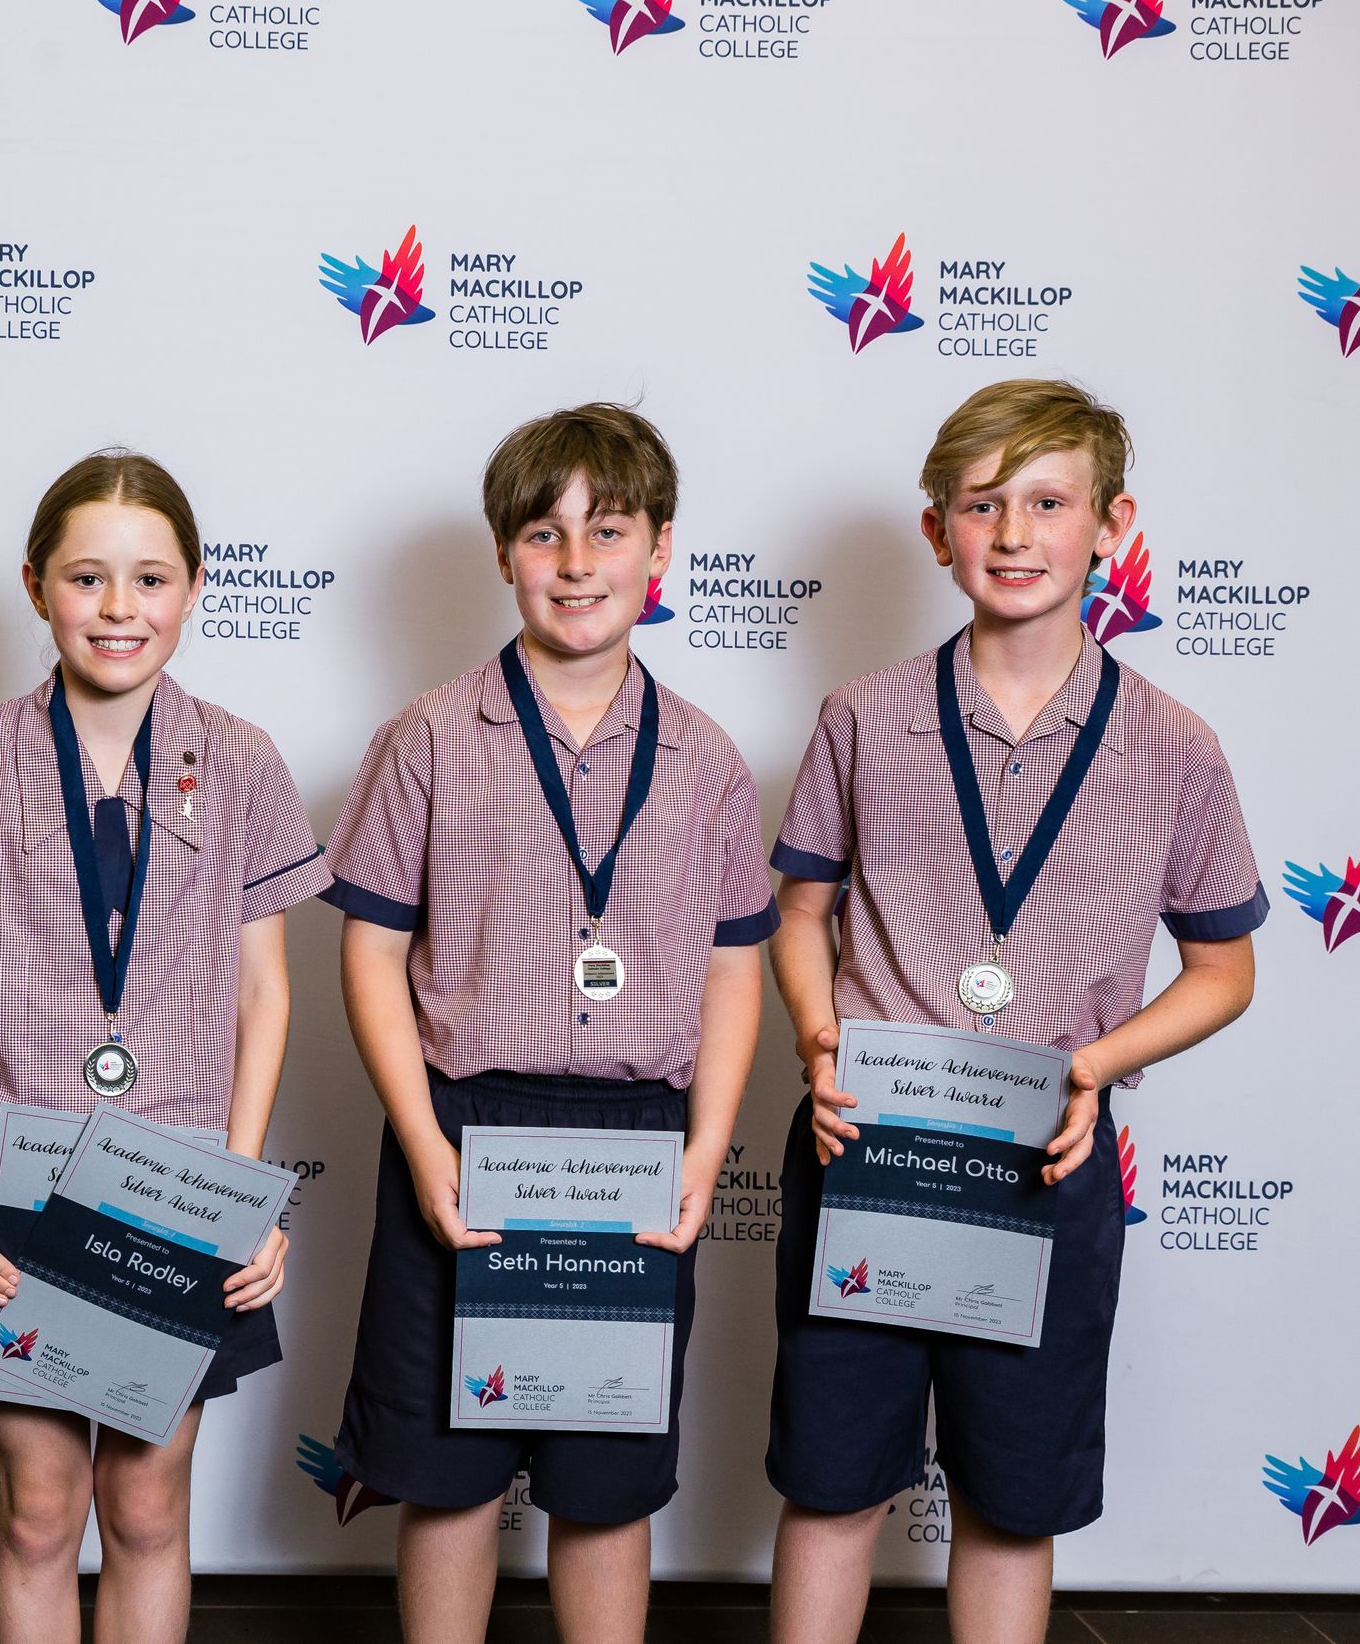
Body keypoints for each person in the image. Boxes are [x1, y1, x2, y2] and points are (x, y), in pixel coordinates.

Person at [763, 379, 1266, 1644]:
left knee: (1009, 1500)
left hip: (1048, 1157)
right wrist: (821, 1043)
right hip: (867, 1148)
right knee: (832, 1485)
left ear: (1110, 526)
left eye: (1047, 502)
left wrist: (1093, 1063)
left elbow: (1223, 969)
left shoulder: (1176, 747)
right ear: (937, 529)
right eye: (982, 504)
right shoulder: (862, 716)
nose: (1014, 533)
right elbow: (798, 915)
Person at [324, 404, 775, 1644]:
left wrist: (704, 1149)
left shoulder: (705, 759)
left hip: (635, 1140)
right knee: (447, 1472)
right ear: (503, 552)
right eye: (544, 533)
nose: (577, 563)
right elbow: (370, 951)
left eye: (608, 530)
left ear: (660, 549)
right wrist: (423, 1142)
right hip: (462, 1128)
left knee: (604, 1483)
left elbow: (735, 970)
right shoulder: (425, 737)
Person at [0, 449, 330, 1644]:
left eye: (149, 577)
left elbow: (265, 990)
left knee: (144, 1505)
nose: (118, 606)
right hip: (16, 1194)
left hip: (178, 1198)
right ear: (36, 585)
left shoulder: (241, 761)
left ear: (193, 587)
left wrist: (243, 1197)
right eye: (86, 577)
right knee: (35, 1511)